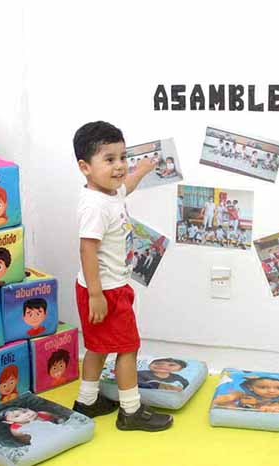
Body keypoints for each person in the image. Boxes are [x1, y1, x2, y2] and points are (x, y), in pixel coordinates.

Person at [71, 121, 172, 431]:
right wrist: (97, 295)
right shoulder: (95, 207)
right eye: (110, 159)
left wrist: (142, 169)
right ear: (85, 167)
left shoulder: (110, 194)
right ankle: (131, 410)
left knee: (97, 346)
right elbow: (87, 250)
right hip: (106, 291)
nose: (119, 166)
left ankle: (86, 401)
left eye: (122, 157)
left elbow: (128, 184)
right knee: (128, 347)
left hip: (102, 287)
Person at [212, 376, 279, 413]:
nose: (271, 391)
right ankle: (228, 402)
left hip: (272, 413)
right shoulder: (249, 395)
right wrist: (231, 396)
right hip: (244, 414)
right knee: (233, 400)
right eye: (263, 387)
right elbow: (239, 393)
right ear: (251, 387)